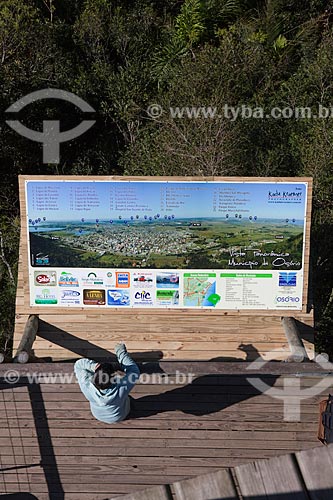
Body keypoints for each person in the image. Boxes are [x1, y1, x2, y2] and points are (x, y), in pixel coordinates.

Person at [74, 342, 140, 423]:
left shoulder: (86, 385)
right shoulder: (122, 388)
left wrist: (94, 366)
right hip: (118, 416)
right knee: (128, 400)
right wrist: (121, 352)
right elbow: (134, 370)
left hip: (98, 415)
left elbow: (79, 365)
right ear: (113, 379)